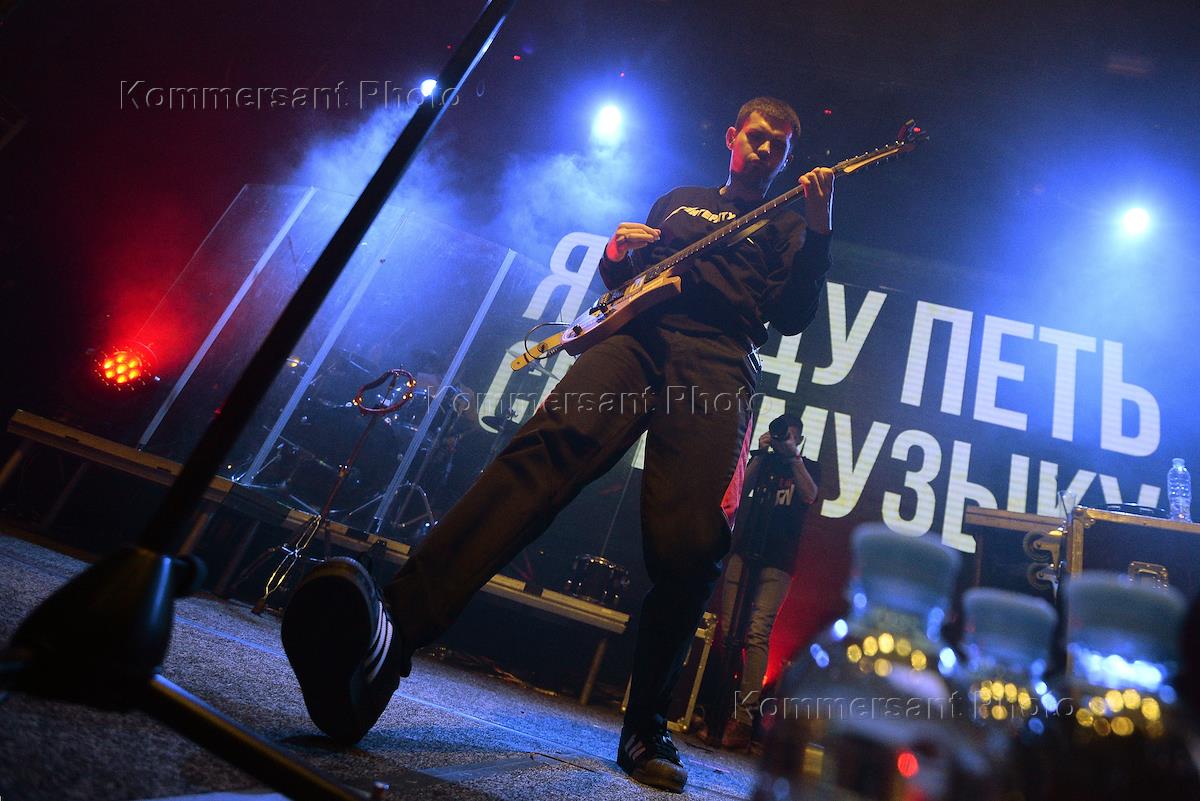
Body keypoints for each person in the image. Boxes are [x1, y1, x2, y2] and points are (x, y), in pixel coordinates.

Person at [280, 96, 835, 793]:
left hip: (719, 360)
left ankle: (646, 724)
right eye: (757, 137)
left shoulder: (789, 221)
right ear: (732, 137)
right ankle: (386, 642)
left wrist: (820, 231)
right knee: (539, 454)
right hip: (637, 339)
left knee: (690, 543)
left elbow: (792, 316)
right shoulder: (679, 201)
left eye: (779, 146)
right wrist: (614, 255)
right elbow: (626, 283)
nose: (767, 151)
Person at [717, 413, 819, 751]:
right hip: (743, 551)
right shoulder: (764, 461)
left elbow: (810, 494)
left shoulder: (807, 467)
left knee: (757, 633)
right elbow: (740, 489)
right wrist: (759, 454)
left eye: (790, 436)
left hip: (778, 562)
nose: (784, 440)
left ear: (799, 440)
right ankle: (715, 709)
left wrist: (793, 457)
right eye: (780, 435)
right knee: (729, 631)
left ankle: (742, 719)